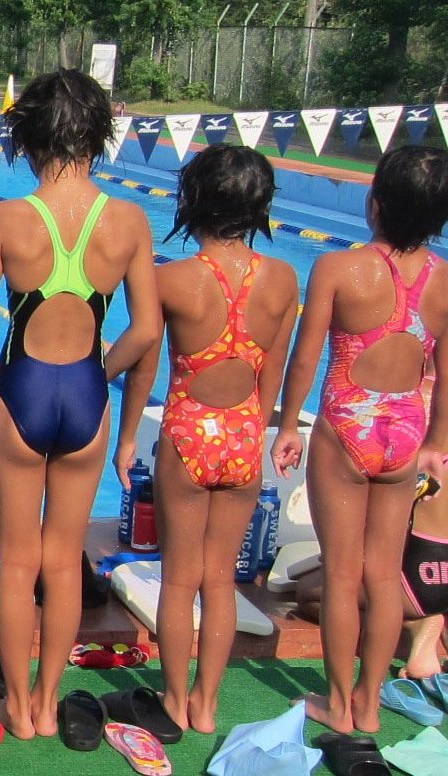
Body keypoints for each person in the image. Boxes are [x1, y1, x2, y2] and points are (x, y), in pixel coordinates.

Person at [0, 69, 160, 740]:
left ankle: (16, 709)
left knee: (17, 563)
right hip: (85, 396)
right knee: (64, 561)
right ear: (99, 136)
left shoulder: (6, 219)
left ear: (30, 137)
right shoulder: (128, 221)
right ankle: (49, 703)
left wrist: (5, 385)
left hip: (24, 390)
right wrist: (98, 374)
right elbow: (146, 330)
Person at [272, 145, 448, 734]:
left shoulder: (338, 269)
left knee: (342, 574)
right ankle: (370, 703)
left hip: (347, 428)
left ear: (375, 202)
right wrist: (434, 445)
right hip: (405, 433)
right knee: (383, 576)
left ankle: (337, 704)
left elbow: (306, 358)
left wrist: (289, 425)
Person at [118, 144, 298, 734]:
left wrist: (126, 439)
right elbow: (273, 373)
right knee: (221, 581)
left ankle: (173, 699)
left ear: (191, 202)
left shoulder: (171, 280)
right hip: (244, 434)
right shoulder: (283, 279)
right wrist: (263, 433)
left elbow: (143, 370)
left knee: (179, 578)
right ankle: (206, 704)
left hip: (188, 432)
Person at [295, 274, 448, 681]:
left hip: (414, 575)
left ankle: (420, 629)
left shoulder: (411, 398)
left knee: (314, 592)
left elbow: (370, 494)